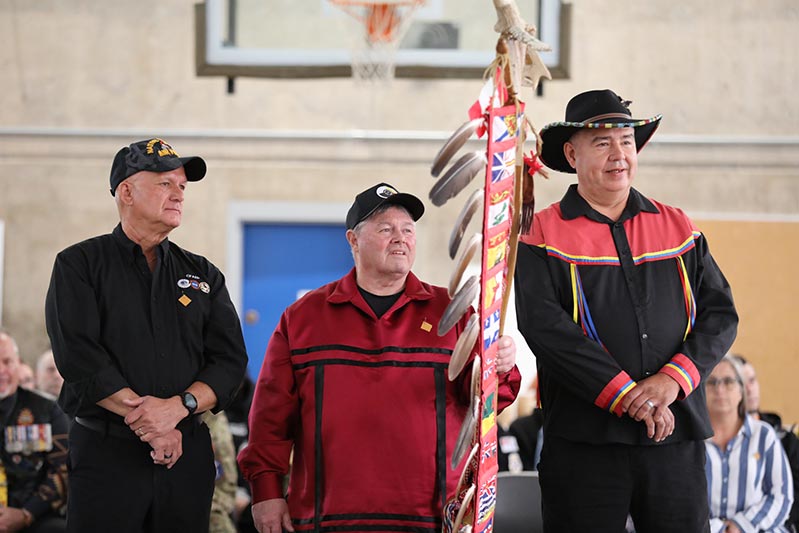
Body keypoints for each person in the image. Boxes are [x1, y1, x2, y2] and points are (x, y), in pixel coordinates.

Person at [238, 182, 522, 533]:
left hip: (433, 519)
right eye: (386, 229)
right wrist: (266, 491)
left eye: (408, 230)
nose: (400, 238)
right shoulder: (303, 318)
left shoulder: (454, 313)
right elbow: (270, 418)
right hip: (327, 519)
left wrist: (501, 368)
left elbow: (484, 405)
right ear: (353, 241)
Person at [514, 89, 739, 532]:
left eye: (627, 141)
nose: (619, 155)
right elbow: (544, 328)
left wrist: (671, 381)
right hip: (584, 443)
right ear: (572, 154)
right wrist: (626, 395)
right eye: (602, 143)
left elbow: (720, 314)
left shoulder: (678, 226)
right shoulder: (541, 233)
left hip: (674, 435)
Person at [44, 138, 249, 532]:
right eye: (165, 184)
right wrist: (153, 426)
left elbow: (229, 362)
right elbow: (79, 356)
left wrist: (179, 408)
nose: (179, 195)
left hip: (185, 457)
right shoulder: (78, 265)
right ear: (126, 192)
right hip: (106, 457)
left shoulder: (203, 275)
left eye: (182, 186)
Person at [705, 355, 793, 532]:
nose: (719, 389)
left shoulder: (763, 435)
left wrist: (741, 526)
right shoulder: (692, 442)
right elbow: (682, 499)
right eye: (712, 382)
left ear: (741, 390)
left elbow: (781, 496)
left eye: (728, 381)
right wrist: (719, 529)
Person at [0, 331, 68, 533]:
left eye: (7, 362)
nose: (1, 370)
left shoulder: (46, 410)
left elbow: (63, 469)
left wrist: (26, 514)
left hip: (34, 516)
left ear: (18, 364)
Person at [731, 354, 799, 531]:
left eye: (752, 380)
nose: (750, 389)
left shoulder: (785, 439)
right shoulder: (718, 443)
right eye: (742, 383)